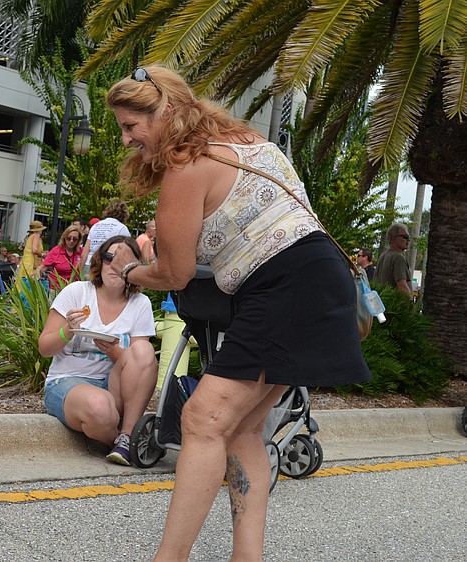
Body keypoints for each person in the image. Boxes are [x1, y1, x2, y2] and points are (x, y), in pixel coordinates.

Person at [105, 65, 371, 560]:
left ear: (163, 112)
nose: (126, 140)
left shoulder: (184, 171)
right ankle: (246, 557)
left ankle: (171, 557)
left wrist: (129, 270)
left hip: (285, 284)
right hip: (316, 273)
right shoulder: (242, 141)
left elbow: (175, 275)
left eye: (130, 126)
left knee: (204, 418)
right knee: (242, 426)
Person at [39, 235, 157, 466]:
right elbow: (44, 348)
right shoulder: (77, 292)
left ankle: (126, 436)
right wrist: (68, 331)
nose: (114, 265)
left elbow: (139, 364)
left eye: (123, 260)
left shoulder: (140, 303)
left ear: (135, 268)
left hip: (114, 384)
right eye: (109, 257)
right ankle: (129, 443)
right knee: (100, 407)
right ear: (98, 261)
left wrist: (113, 351)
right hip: (67, 382)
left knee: (143, 349)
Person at [79, 200, 131, 274]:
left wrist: (80, 272)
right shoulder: (122, 228)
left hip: (90, 265)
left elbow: (85, 253)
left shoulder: (96, 226)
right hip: (106, 267)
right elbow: (126, 253)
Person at [37, 224, 83, 291]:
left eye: (75, 239)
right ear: (64, 238)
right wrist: (35, 275)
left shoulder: (82, 252)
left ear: (78, 240)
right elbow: (43, 267)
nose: (71, 241)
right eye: (68, 238)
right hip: (56, 288)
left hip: (73, 289)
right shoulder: (56, 250)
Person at [374, 223, 413, 298]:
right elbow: (402, 287)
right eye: (405, 237)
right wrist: (411, 305)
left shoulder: (383, 256)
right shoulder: (398, 258)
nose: (408, 240)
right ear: (393, 238)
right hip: (395, 306)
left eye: (408, 237)